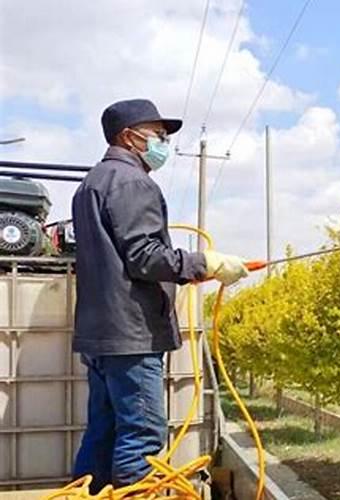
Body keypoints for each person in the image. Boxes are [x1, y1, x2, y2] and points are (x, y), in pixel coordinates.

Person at [71, 98, 247, 492]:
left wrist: (192, 267)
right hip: (132, 334)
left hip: (102, 334)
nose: (164, 144)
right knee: (142, 435)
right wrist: (205, 263)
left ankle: (87, 491)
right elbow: (145, 257)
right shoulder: (133, 182)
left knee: (102, 432)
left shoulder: (93, 182)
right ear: (129, 136)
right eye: (158, 136)